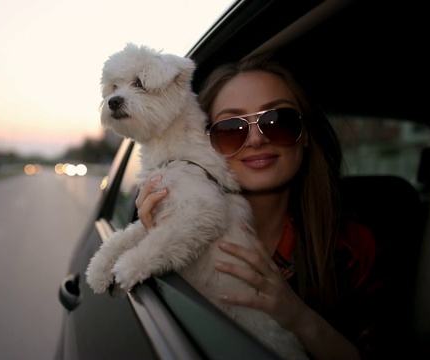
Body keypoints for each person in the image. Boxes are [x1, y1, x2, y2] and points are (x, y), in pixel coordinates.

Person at [135, 52, 385, 359]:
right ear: (206, 141)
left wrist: (299, 318)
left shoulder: (354, 246)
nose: (255, 139)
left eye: (278, 120)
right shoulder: (175, 226)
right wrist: (162, 248)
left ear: (305, 135)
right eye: (230, 128)